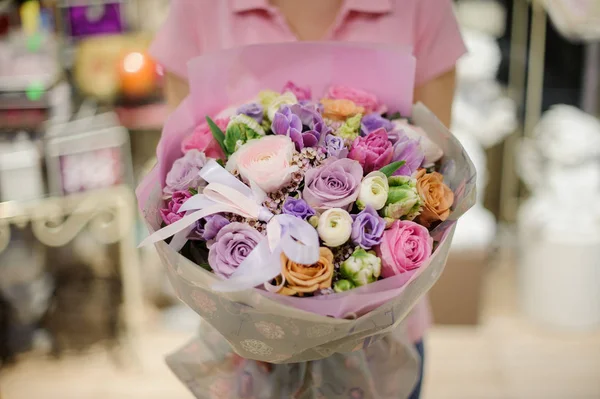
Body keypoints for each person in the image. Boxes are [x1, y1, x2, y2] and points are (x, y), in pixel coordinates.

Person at [150, 1, 466, 397]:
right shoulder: (199, 8)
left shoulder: (420, 7)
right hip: (246, 348)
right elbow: (186, 159)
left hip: (380, 342)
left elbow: (434, 163)